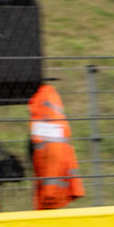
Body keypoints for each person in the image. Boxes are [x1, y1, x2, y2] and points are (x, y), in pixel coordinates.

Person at [27, 81, 83, 209]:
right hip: (52, 186)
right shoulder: (46, 101)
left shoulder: (44, 104)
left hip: (51, 192)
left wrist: (49, 192)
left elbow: (53, 151)